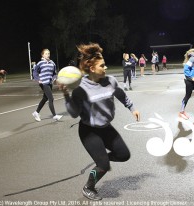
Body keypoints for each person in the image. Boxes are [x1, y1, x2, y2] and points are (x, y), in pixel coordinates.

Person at [58, 42, 140, 201]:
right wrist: (67, 96)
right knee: (103, 166)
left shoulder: (110, 81)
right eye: (102, 65)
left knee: (123, 155)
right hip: (89, 131)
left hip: (106, 127)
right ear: (92, 68)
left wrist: (132, 108)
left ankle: (101, 160)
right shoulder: (80, 88)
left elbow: (121, 95)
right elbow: (74, 114)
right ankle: (89, 186)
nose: (106, 68)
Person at [32, 49, 63, 122]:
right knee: (51, 98)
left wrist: (54, 78)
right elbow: (35, 72)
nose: (48, 55)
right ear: (42, 55)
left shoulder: (52, 63)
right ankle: (55, 116)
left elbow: (54, 73)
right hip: (43, 83)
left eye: (48, 53)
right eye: (46, 54)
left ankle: (36, 113)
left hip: (49, 83)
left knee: (45, 98)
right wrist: (38, 79)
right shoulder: (40, 63)